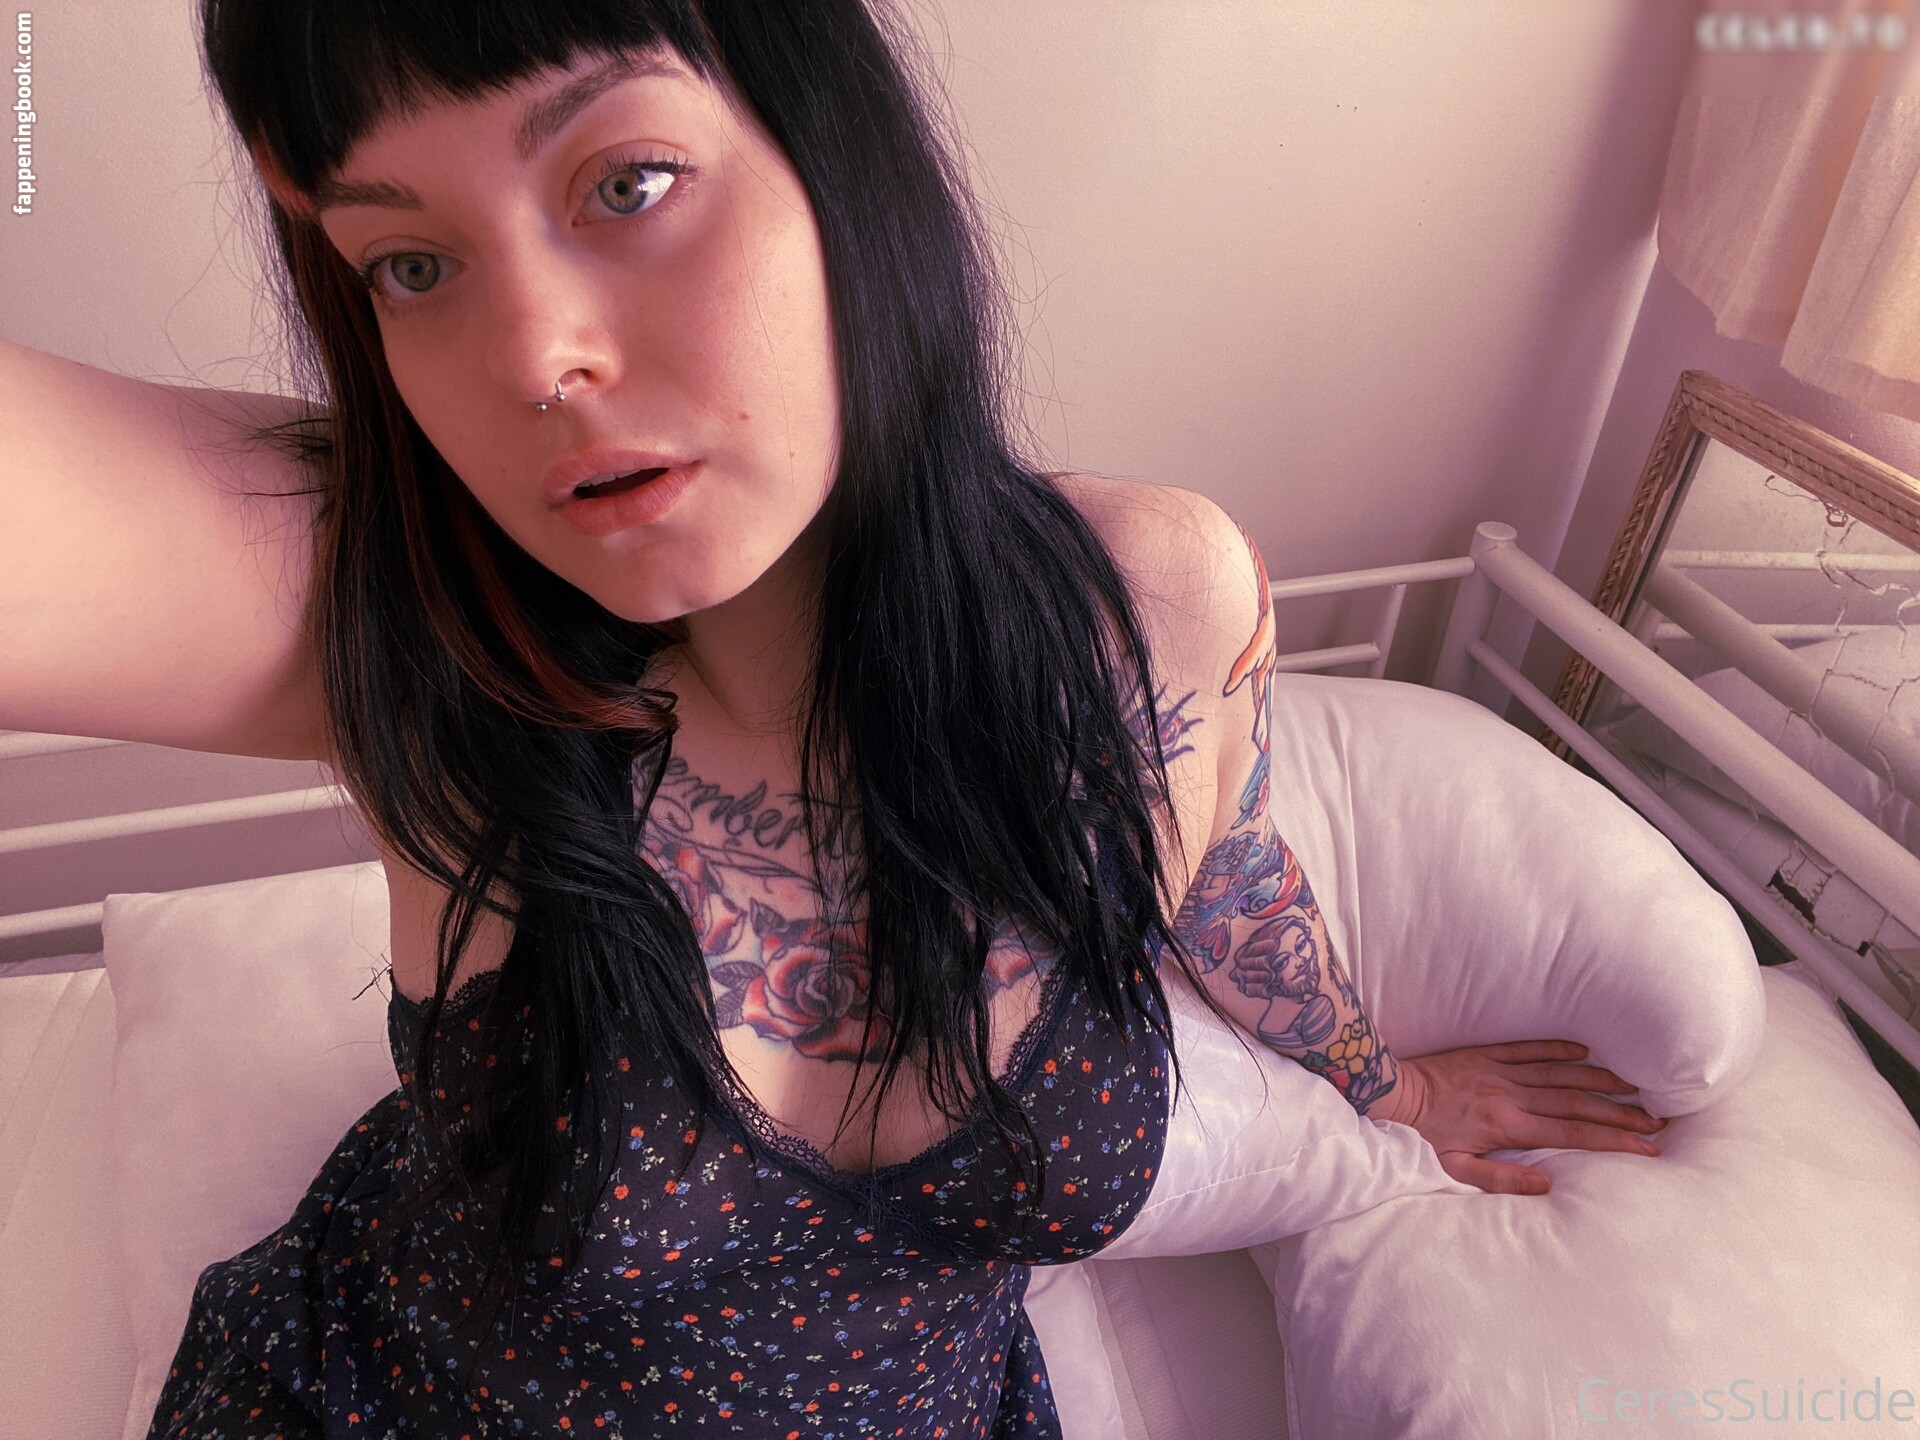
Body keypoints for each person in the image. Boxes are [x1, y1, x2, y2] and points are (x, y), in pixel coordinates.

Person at [0, 1, 1669, 1434]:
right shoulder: (414, 620)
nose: (532, 357)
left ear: (833, 155)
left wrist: (1384, 1085)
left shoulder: (1152, 608)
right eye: (412, 263)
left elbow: (1221, 858)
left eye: (628, 182)